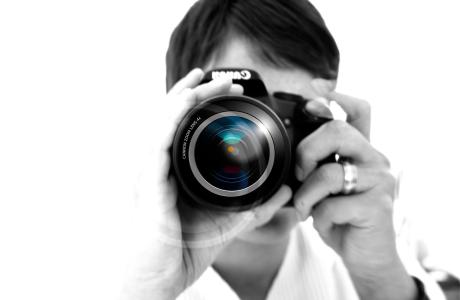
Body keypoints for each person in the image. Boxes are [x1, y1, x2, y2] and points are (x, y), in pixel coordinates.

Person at [121, 0, 445, 299]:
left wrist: (382, 282)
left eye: (287, 119)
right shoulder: (102, 271)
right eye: (241, 120)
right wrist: (150, 289)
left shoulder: (363, 257)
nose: (266, 148)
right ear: (179, 120)